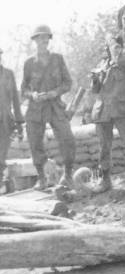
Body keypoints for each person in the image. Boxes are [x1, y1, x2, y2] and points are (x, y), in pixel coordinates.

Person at [21, 25, 76, 189]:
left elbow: (68, 83)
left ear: (49, 40)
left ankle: (67, 175)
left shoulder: (57, 59)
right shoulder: (29, 63)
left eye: (46, 38)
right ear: (35, 41)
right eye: (40, 38)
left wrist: (54, 93)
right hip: (36, 108)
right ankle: (42, 178)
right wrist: (33, 95)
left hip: (55, 106)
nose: (43, 41)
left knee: (67, 139)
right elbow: (23, 89)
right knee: (35, 142)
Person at [90, 35, 125, 192]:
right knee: (104, 146)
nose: (114, 49)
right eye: (111, 46)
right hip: (103, 111)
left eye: (117, 46)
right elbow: (95, 90)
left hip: (121, 109)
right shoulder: (102, 64)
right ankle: (105, 179)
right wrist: (95, 79)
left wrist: (118, 59)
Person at [0, 48, 24, 193]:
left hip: (6, 121)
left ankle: (1, 182)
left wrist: (20, 122)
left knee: (2, 153)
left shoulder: (8, 74)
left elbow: (15, 99)